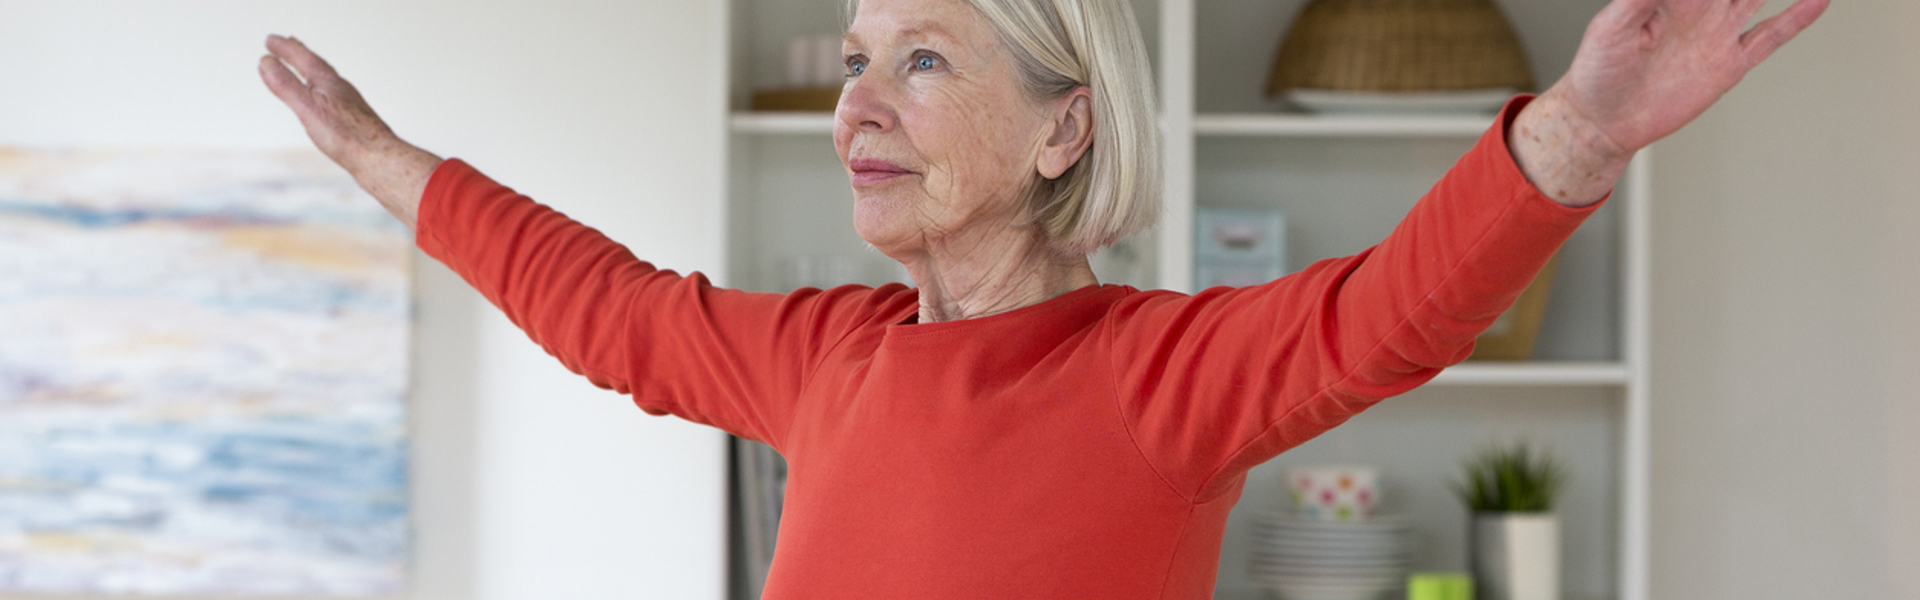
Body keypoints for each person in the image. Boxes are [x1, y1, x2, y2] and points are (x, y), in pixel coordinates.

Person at [258, 0, 1825, 596]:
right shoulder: (826, 357)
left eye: (923, 61)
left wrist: (1577, 131)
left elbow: (1391, 311)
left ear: (1065, 125)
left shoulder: (1158, 374)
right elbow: (600, 305)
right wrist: (381, 160)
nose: (859, 104)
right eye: (857, 61)